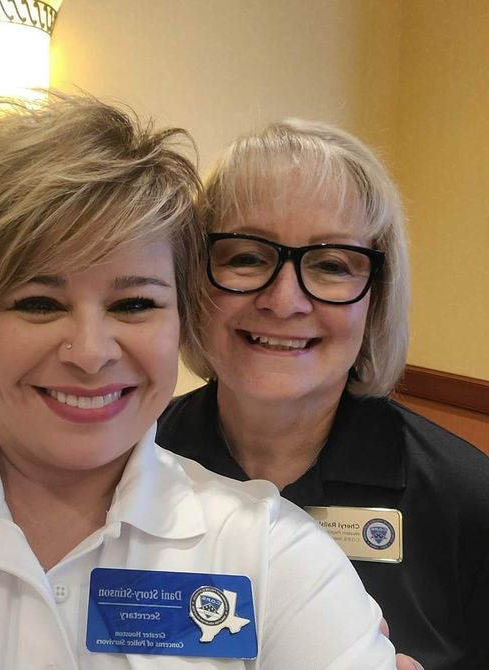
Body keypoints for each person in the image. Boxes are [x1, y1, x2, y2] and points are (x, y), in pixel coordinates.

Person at [0, 94, 396, 669]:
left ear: (181, 316)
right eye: (38, 303)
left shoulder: (274, 552)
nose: (90, 354)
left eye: (134, 304)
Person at [157, 119, 489, 670]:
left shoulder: (468, 501)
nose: (284, 300)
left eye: (332, 264)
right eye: (247, 256)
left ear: (377, 299)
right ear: (195, 279)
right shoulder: (127, 464)